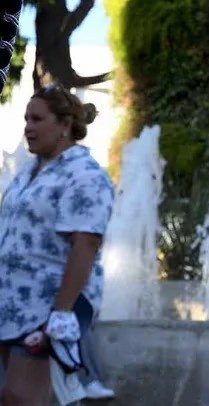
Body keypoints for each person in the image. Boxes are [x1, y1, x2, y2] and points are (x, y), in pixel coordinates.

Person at [0, 85, 116, 404]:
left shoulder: (84, 174)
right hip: (12, 302)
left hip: (49, 304)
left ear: (64, 125)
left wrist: (61, 312)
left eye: (37, 119)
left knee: (20, 398)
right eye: (26, 119)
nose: (28, 127)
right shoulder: (31, 170)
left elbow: (86, 242)